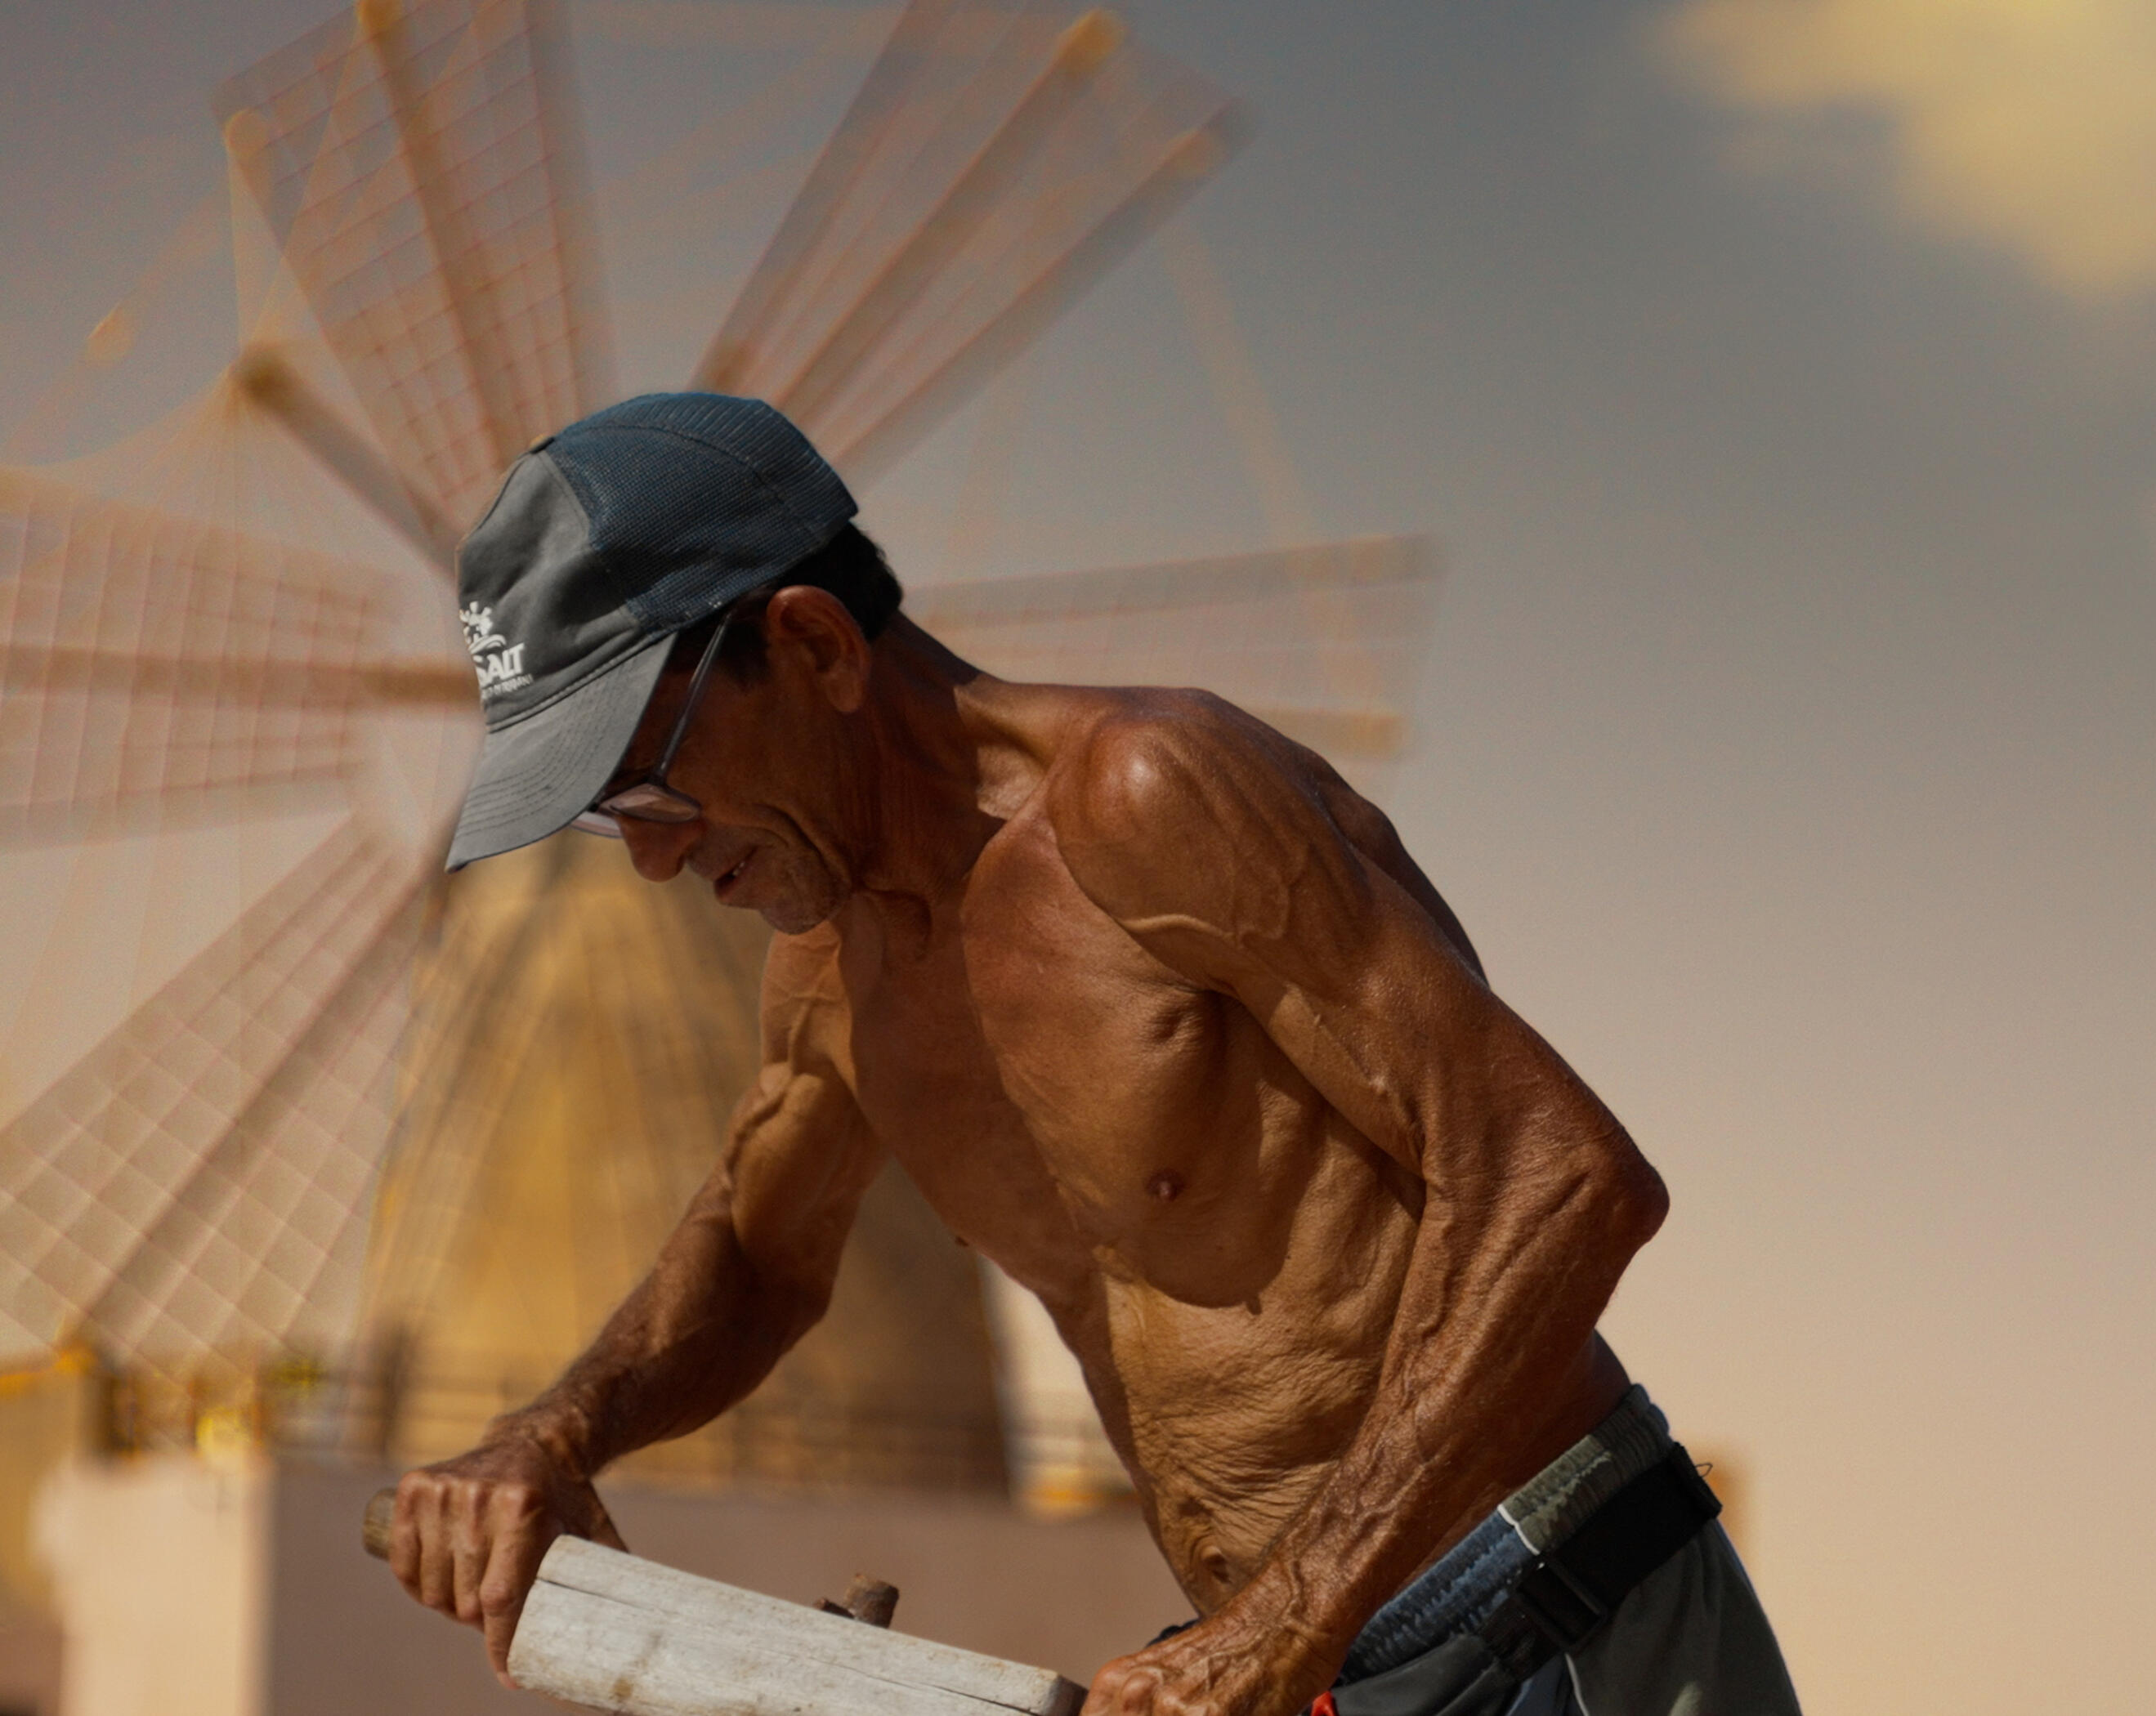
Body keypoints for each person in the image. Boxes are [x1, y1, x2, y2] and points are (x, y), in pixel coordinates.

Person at [391, 393, 1800, 1716]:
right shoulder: (831, 966)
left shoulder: (1141, 801)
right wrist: (553, 1432)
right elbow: (760, 1263)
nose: (648, 856)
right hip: (1295, 1663)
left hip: (1544, 1616)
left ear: (814, 648)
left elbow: (1563, 1180)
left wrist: (1286, 1619)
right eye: (600, 817)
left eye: (645, 780)